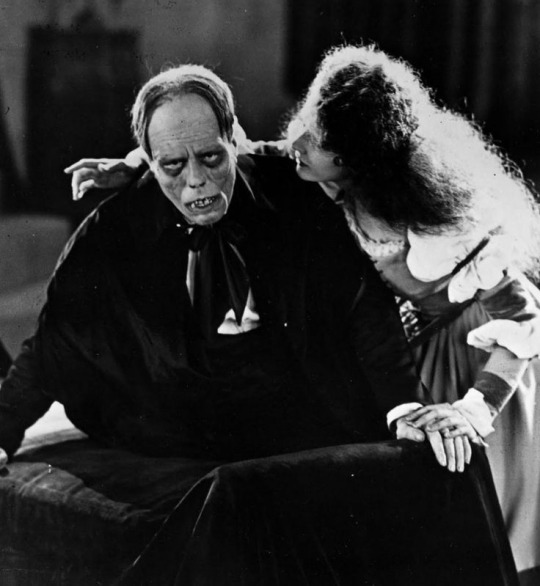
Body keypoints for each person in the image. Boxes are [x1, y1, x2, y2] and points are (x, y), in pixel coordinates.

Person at [0, 63, 512, 585]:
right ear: (149, 163)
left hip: (296, 419)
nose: (195, 181)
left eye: (211, 158)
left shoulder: (297, 191)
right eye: (173, 166)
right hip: (177, 427)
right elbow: (54, 344)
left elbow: (364, 307)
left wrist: (404, 406)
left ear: (234, 140)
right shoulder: (114, 226)